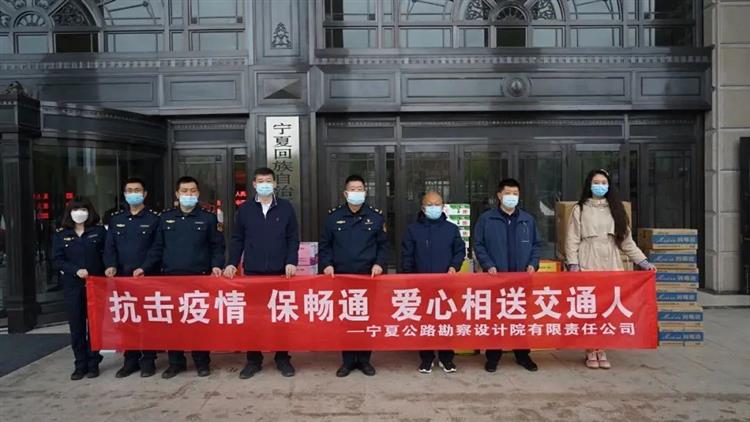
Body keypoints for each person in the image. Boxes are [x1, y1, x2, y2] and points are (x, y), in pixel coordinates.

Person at [564, 169, 655, 370]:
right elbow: (572, 239)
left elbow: (627, 242)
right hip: (588, 258)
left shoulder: (616, 209)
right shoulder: (580, 209)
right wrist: (573, 264)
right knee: (590, 308)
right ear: (589, 185)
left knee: (607, 309)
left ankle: (602, 348)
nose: (600, 186)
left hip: (611, 261)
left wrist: (643, 262)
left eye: (603, 182)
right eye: (596, 182)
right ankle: (590, 349)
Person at [135, 176, 225, 379]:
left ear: (198, 193)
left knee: (198, 321)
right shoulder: (165, 218)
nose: (189, 194)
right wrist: (144, 268)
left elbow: (217, 247)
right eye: (184, 191)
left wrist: (216, 266)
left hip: (199, 279)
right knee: (173, 323)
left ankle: (202, 362)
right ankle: (176, 363)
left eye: (193, 191)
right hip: (171, 279)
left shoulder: (208, 218)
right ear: (177, 194)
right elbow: (157, 248)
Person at [224, 167, 300, 379]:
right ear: (254, 184)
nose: (264, 184)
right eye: (260, 181)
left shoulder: (285, 208)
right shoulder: (245, 209)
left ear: (275, 184)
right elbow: (237, 238)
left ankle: (282, 358)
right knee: (254, 318)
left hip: (280, 273)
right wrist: (232, 263)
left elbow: (293, 238)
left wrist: (291, 261)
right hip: (253, 272)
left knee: (281, 317)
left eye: (268, 181)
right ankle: (253, 360)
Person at [319, 174, 388, 377]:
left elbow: (383, 246)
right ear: (345, 193)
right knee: (346, 319)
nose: (356, 193)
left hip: (368, 277)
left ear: (365, 192)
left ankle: (365, 360)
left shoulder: (376, 217)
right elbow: (325, 245)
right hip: (342, 277)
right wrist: (327, 265)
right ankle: (348, 361)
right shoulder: (333, 217)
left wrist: (379, 264)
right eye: (353, 189)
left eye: (360, 189)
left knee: (366, 318)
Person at [474, 178, 541, 373]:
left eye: (515, 194)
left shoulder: (527, 219)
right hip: (496, 278)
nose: (511, 197)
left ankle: (522, 355)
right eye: (508, 193)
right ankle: (493, 356)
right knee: (495, 317)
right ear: (499, 195)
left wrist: (533, 264)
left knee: (520, 317)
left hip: (521, 278)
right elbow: (479, 244)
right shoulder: (487, 219)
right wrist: (488, 265)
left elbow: (536, 245)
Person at [401, 191, 465, 374]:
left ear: (443, 206)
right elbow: (407, 255)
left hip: (446, 285)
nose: (434, 208)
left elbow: (459, 251)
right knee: (425, 322)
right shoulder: (413, 230)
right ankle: (426, 358)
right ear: (423, 208)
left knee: (446, 320)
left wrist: (454, 266)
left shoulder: (451, 229)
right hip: (421, 285)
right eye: (430, 205)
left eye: (437, 204)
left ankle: (446, 358)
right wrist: (409, 278)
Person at [103, 177, 161, 378]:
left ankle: (148, 360)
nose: (133, 193)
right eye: (130, 190)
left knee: (148, 320)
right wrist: (110, 265)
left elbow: (157, 248)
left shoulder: (154, 219)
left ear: (144, 194)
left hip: (147, 277)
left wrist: (144, 267)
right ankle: (130, 360)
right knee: (127, 320)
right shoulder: (116, 219)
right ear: (124, 194)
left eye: (137, 190)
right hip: (123, 278)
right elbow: (109, 246)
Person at [52, 196, 107, 380]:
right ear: (70, 213)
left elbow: (107, 254)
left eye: (83, 209)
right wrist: (75, 270)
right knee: (77, 327)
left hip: (96, 285)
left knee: (95, 326)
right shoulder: (61, 234)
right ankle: (80, 364)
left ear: (89, 212)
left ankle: (93, 362)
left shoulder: (99, 232)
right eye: (76, 209)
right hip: (73, 286)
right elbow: (57, 260)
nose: (79, 213)